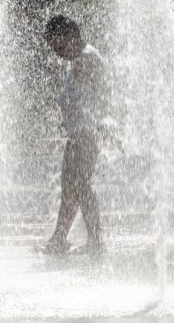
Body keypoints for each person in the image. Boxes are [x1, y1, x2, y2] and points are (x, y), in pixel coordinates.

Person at [41, 15, 108, 256]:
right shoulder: (81, 59)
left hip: (86, 134)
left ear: (69, 36)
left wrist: (99, 126)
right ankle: (59, 238)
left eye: (57, 45)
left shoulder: (87, 59)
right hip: (78, 133)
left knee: (80, 185)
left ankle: (96, 240)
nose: (57, 52)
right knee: (70, 187)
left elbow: (102, 96)